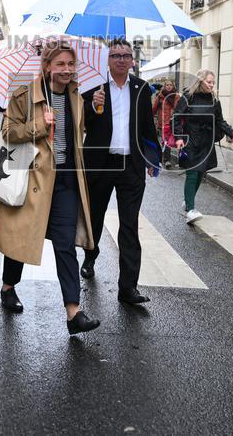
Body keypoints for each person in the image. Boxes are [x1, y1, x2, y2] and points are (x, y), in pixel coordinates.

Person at [0, 42, 100, 335]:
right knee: (22, 237)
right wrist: (39, 124)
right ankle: (8, 286)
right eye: (60, 64)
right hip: (32, 180)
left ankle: (73, 313)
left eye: (70, 64)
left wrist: (95, 108)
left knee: (65, 245)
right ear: (47, 66)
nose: (66, 70)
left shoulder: (78, 98)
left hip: (66, 181)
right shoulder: (24, 95)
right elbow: (7, 132)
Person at [81, 38, 160, 305]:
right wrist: (92, 105)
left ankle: (128, 288)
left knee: (129, 225)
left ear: (132, 60)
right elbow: (81, 121)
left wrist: (153, 157)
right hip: (101, 164)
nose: (121, 59)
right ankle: (90, 256)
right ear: (107, 59)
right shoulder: (94, 86)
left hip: (131, 166)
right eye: (115, 55)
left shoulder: (141, 88)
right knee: (94, 217)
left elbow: (148, 127)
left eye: (126, 55)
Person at [172, 70, 233, 224]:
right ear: (200, 81)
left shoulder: (214, 100)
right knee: (193, 173)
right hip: (190, 140)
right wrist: (179, 138)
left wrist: (231, 133)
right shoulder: (188, 96)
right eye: (209, 82)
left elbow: (220, 121)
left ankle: (188, 201)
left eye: (213, 82)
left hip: (206, 141)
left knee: (200, 173)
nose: (211, 85)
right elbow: (177, 117)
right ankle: (190, 210)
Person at [152, 80, 181, 168]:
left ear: (173, 86)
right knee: (166, 142)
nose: (168, 86)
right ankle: (167, 160)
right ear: (164, 86)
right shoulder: (160, 96)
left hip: (174, 123)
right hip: (163, 123)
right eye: (167, 85)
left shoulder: (176, 96)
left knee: (178, 141)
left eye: (170, 85)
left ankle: (181, 160)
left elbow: (180, 109)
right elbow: (154, 109)